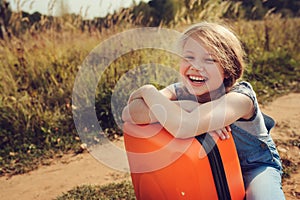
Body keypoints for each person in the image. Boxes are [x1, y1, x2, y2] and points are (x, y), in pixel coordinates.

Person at [122, 22, 285, 200]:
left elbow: (184, 127)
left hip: (253, 167)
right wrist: (187, 106)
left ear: (228, 68)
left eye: (209, 60)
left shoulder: (240, 98)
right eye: (189, 57)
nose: (196, 66)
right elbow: (129, 113)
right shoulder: (180, 91)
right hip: (213, 166)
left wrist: (148, 94)